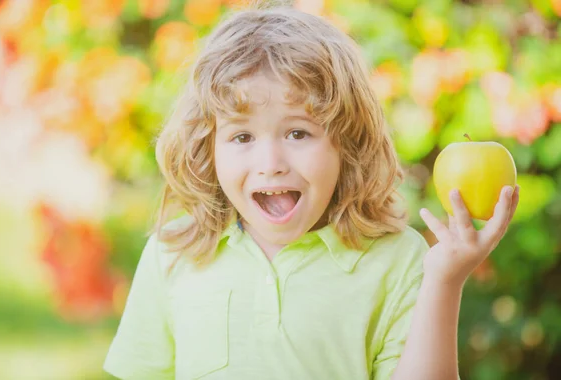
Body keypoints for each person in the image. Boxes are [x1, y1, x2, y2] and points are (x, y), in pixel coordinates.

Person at [103, 2, 520, 379]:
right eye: (242, 138)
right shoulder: (174, 252)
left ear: (348, 143)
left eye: (298, 133)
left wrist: (445, 281)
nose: (271, 163)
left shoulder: (396, 260)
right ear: (207, 148)